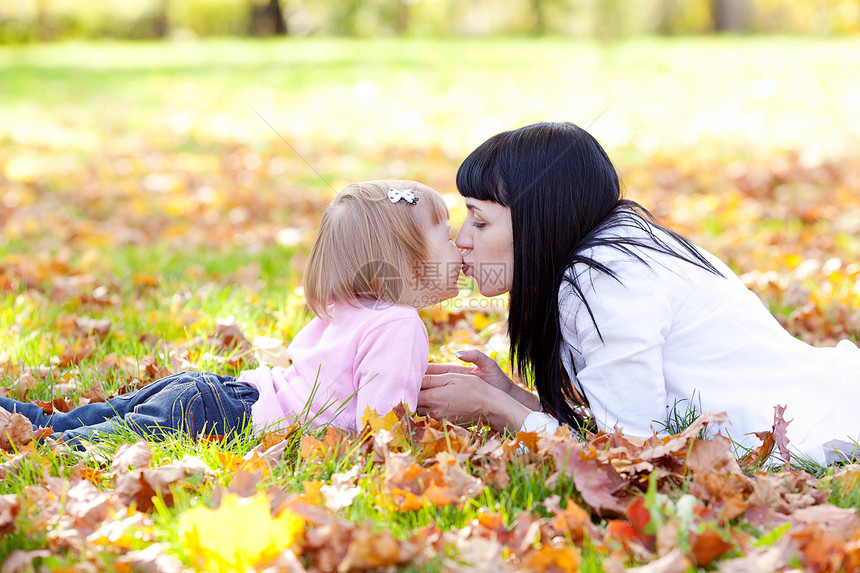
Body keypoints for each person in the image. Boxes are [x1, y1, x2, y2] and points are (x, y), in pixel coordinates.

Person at [418, 122, 859, 465]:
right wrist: (513, 396)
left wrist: (493, 409)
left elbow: (630, 452)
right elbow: (616, 422)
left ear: (537, 218)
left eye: (479, 221)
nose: (461, 240)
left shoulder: (606, 282)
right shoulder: (613, 252)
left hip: (803, 429)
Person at [2, 180, 462, 447]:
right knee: (76, 447)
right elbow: (381, 429)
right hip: (226, 417)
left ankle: (13, 416)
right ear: (404, 260)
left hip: (214, 392)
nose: (461, 244)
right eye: (445, 234)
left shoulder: (353, 305)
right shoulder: (401, 325)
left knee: (67, 423)